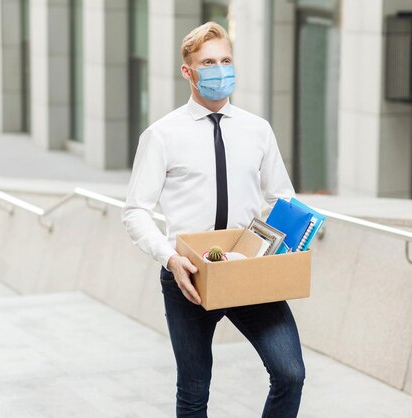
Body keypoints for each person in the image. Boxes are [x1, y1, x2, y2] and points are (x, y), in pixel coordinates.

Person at [121, 21, 305, 418]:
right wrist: (170, 258)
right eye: (208, 62)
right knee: (193, 391)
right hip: (189, 275)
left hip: (247, 270)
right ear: (188, 71)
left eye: (225, 60)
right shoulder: (162, 135)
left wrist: (284, 243)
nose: (220, 69)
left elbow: (283, 196)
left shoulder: (257, 130)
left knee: (290, 373)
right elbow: (135, 210)